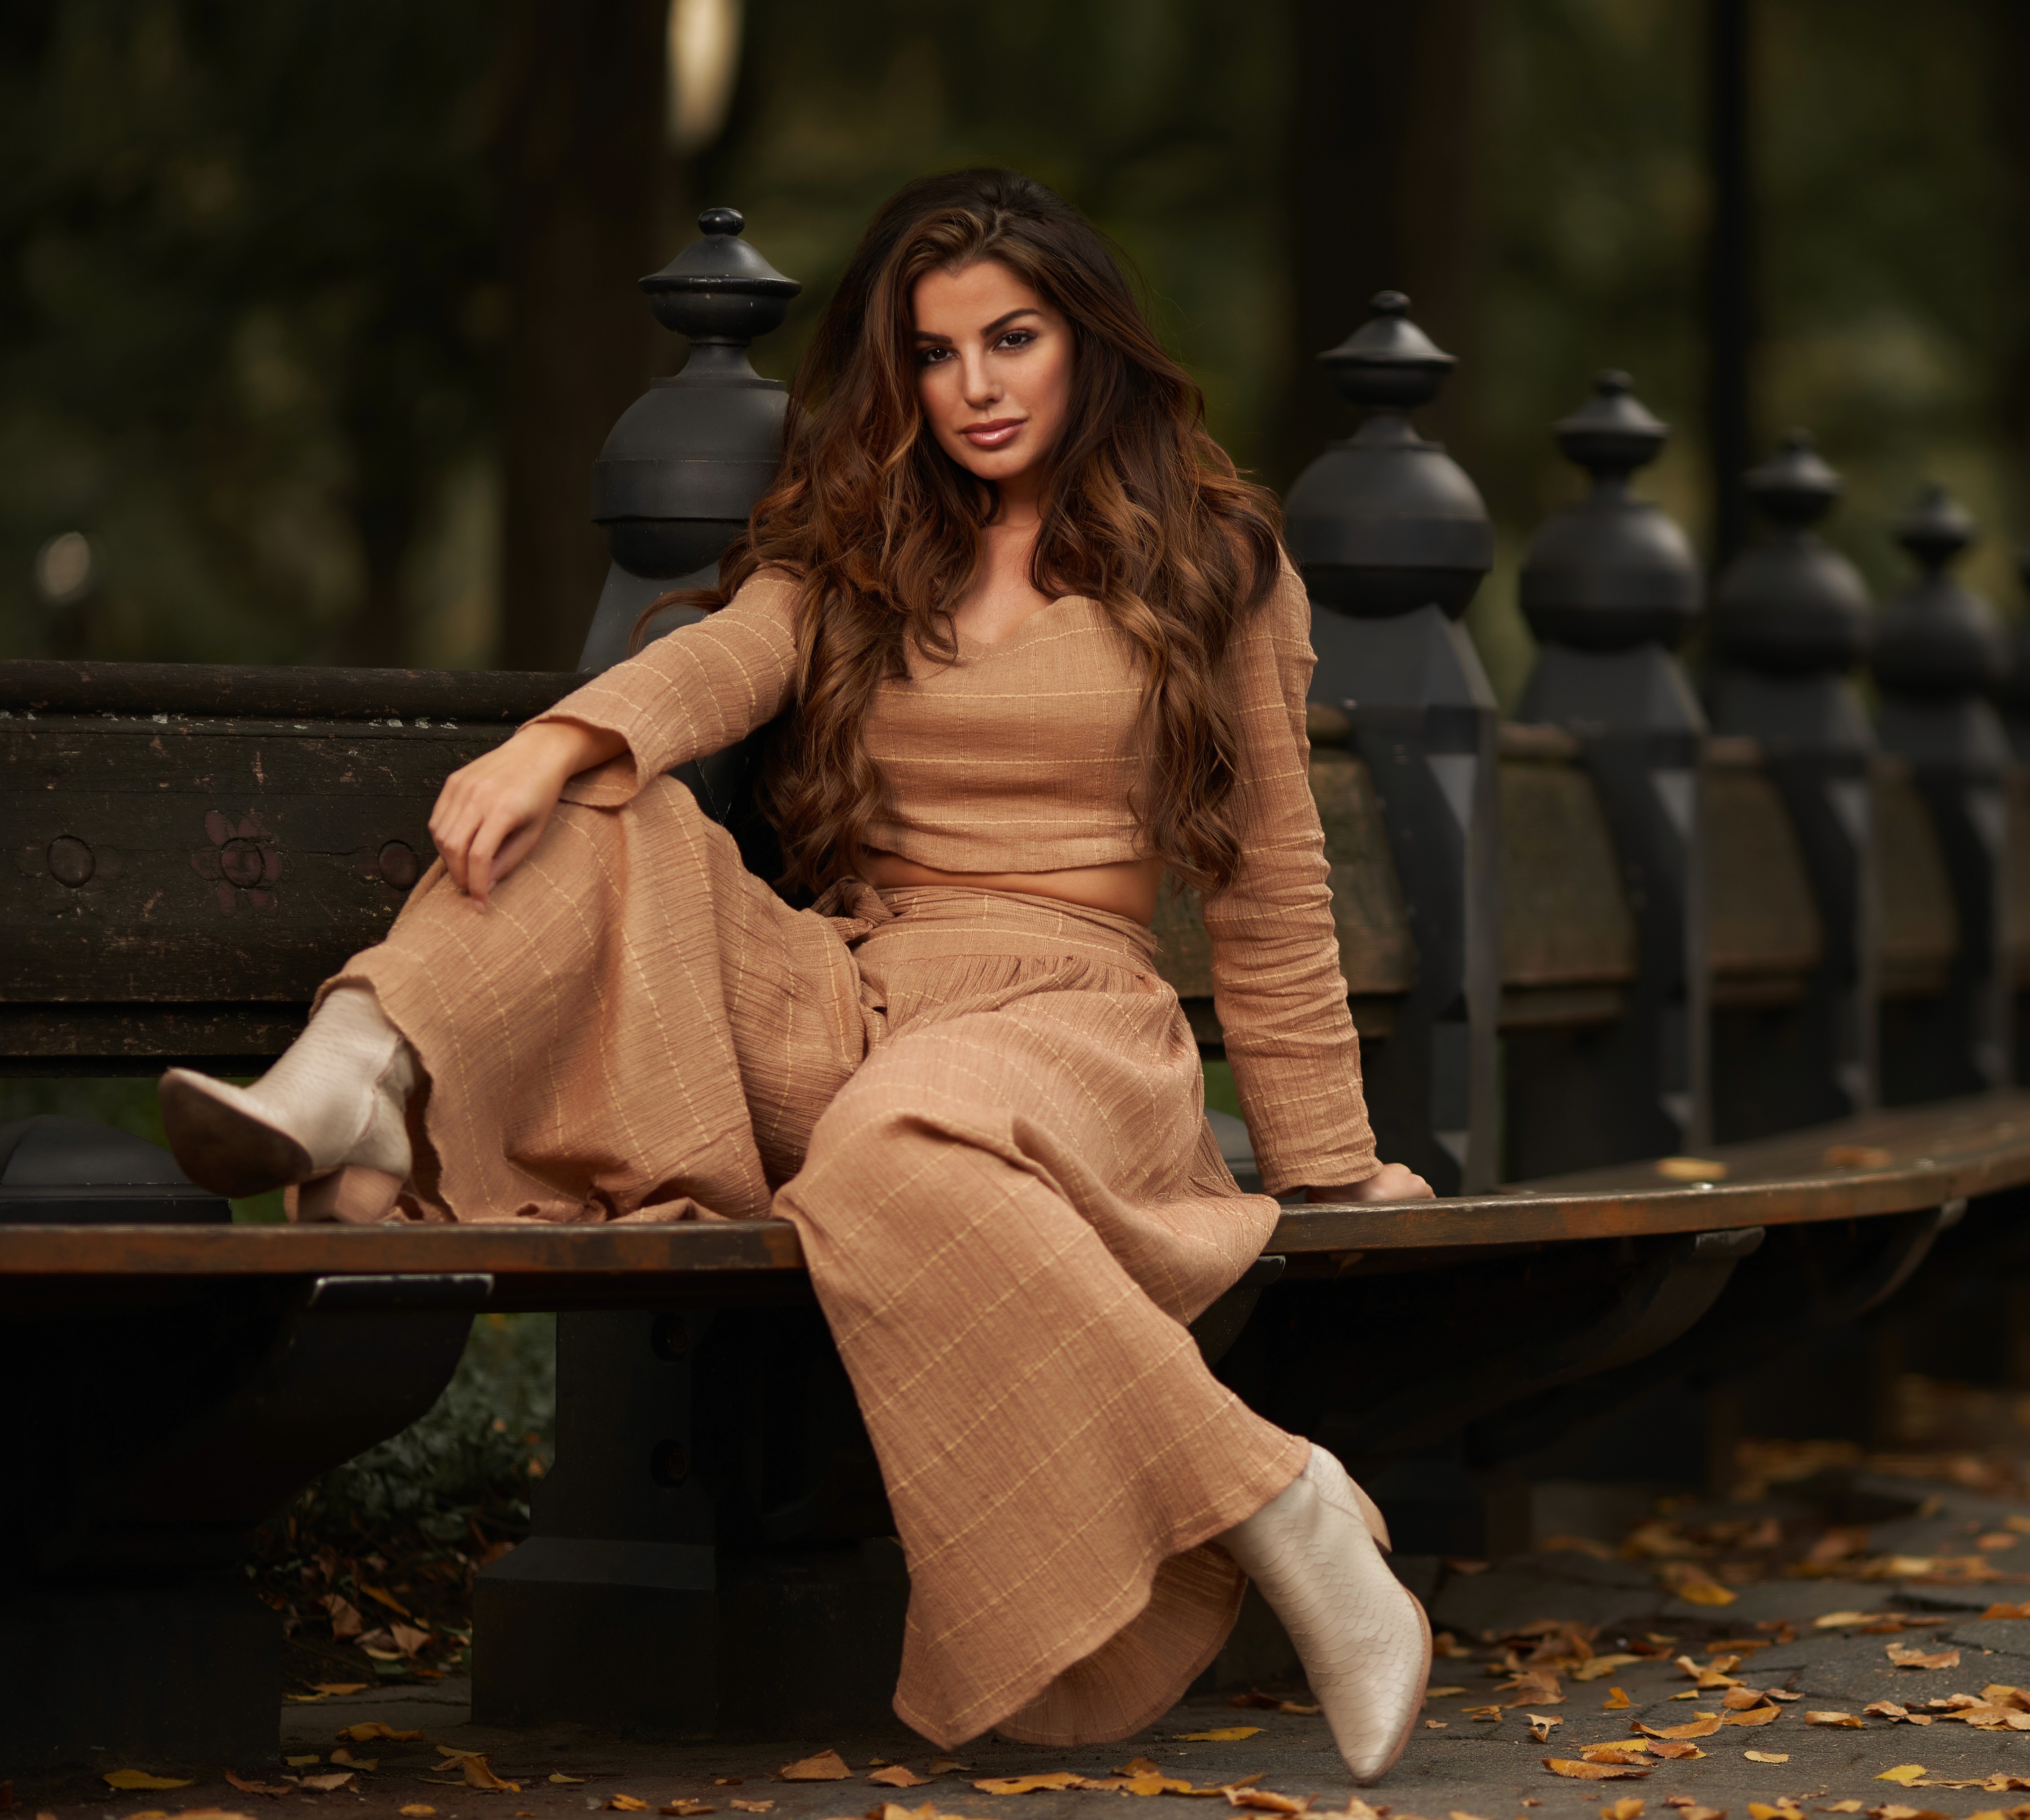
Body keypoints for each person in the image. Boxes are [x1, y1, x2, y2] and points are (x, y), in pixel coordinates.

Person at [160, 168, 1437, 1784]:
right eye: (931, 351)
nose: (972, 386)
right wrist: (560, 741)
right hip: (856, 989)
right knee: (616, 823)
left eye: (1013, 339)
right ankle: (359, 1064)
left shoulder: (1213, 559)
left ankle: (1276, 1505)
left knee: (893, 1146)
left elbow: (1270, 886)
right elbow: (724, 659)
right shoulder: (866, 541)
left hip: (1070, 1020)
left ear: (1090, 343)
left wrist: (1326, 1160)